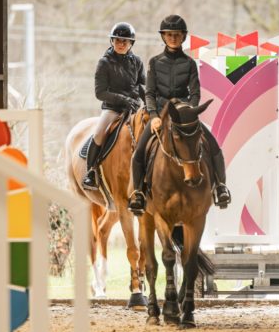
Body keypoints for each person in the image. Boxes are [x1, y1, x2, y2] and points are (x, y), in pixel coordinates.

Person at [128, 14, 231, 215]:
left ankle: (220, 187)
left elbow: (195, 93)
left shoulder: (190, 64)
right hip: (161, 114)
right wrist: (154, 114)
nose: (173, 38)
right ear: (164, 37)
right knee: (139, 151)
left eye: (176, 34)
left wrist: (190, 112)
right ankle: (138, 193)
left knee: (213, 145)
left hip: (185, 115)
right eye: (169, 34)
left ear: (183, 37)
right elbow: (149, 92)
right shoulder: (155, 62)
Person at [82, 22, 146, 190]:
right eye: (117, 40)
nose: (121, 44)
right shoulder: (104, 63)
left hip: (133, 109)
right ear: (112, 41)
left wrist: (149, 102)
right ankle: (92, 172)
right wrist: (124, 99)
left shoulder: (137, 62)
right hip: (112, 109)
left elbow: (142, 85)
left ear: (131, 43)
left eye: (125, 41)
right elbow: (100, 92)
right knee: (99, 134)